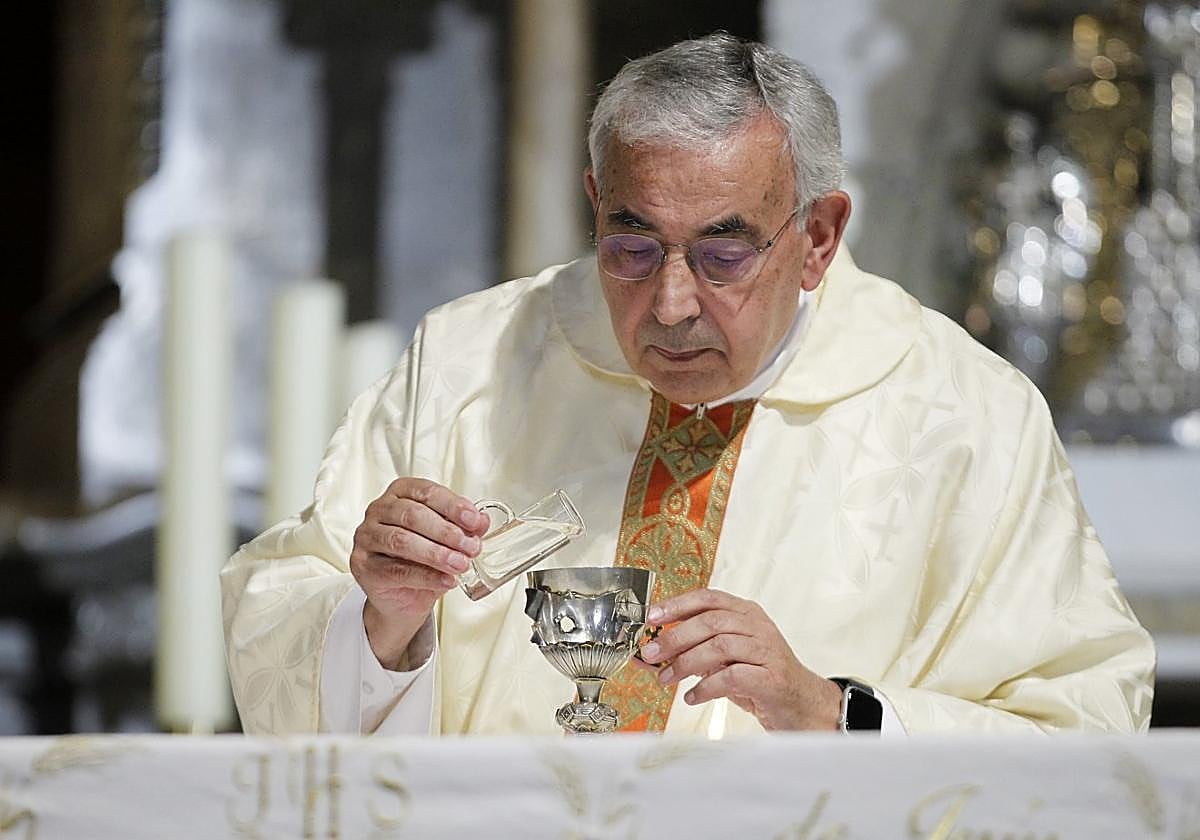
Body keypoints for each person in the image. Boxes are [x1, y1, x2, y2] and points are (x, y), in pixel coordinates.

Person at [221, 33, 1154, 737]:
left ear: (819, 236)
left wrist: (832, 713)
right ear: (594, 203)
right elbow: (287, 629)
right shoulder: (471, 364)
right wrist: (381, 624)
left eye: (723, 251)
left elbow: (1085, 728)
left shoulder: (964, 417)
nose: (670, 304)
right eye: (632, 244)